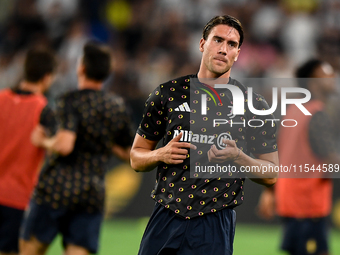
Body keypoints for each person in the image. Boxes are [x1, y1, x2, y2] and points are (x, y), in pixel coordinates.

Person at [130, 15, 279, 255]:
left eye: (231, 44)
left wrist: (239, 158)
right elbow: (136, 158)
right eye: (218, 40)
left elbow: (272, 173)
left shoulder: (255, 105)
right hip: (166, 216)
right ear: (202, 44)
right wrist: (160, 153)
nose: (223, 49)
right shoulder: (167, 94)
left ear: (238, 53)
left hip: (215, 223)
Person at [19, 42, 133, 255]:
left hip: (56, 189)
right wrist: (103, 141)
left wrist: (43, 141)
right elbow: (129, 154)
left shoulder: (69, 101)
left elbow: (64, 145)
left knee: (29, 250)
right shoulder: (117, 106)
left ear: (81, 68)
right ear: (107, 72)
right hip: (91, 194)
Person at [257, 59, 339, 255]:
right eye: (325, 74)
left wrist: (269, 192)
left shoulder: (292, 112)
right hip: (308, 203)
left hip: (290, 200)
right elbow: (331, 158)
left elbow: (280, 157)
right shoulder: (317, 114)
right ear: (312, 82)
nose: (332, 77)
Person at [0, 48, 56, 255]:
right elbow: (57, 148)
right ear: (47, 77)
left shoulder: (1, 98)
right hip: (17, 197)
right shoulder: (43, 109)